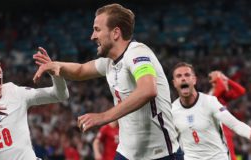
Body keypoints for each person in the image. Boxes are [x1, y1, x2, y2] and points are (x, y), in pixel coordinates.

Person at [33, 3, 182, 159]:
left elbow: (148, 89)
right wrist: (56, 65)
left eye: (97, 30)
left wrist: (103, 117)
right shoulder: (109, 62)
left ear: (115, 33)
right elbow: (80, 70)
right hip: (127, 153)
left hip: (160, 154)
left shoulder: (137, 53)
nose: (92, 36)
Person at [171, 62, 251, 160]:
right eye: (179, 76)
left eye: (187, 75)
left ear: (194, 80)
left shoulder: (210, 101)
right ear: (174, 83)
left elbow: (234, 124)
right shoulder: (172, 110)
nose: (183, 78)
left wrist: (248, 132)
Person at [208, 70, 246, 160]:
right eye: (223, 80)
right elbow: (221, 87)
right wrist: (218, 77)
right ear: (214, 84)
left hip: (225, 130)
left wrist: (227, 79)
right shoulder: (211, 96)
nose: (226, 83)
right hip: (216, 132)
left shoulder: (223, 97)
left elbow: (241, 91)